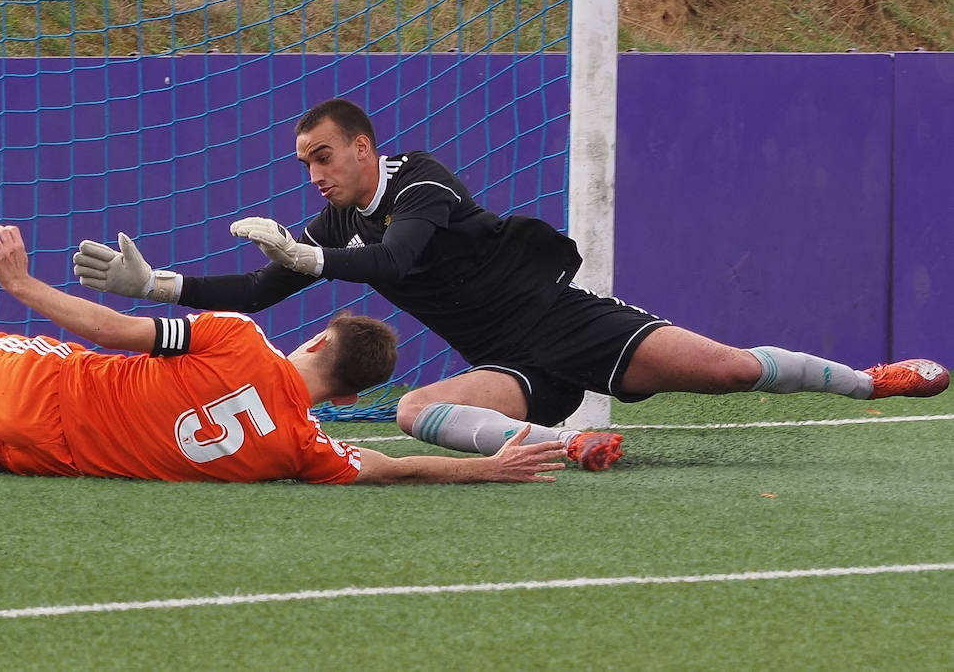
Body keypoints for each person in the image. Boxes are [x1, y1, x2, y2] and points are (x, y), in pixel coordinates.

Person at [73, 97, 950, 469]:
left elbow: (397, 262)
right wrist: (159, 285)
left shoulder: (419, 181)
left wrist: (309, 258)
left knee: (728, 368)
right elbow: (264, 292)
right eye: (304, 164)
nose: (314, 177)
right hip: (504, 359)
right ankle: (573, 447)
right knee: (415, 410)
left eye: (323, 158)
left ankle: (874, 378)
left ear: (364, 147)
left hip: (566, 321)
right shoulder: (338, 220)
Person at [0, 225, 586, 485]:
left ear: (317, 338)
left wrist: (26, 288)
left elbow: (113, 331)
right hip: (61, 459)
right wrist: (487, 469)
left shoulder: (237, 339)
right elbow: (387, 466)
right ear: (352, 385)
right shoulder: (300, 450)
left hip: (46, 387)